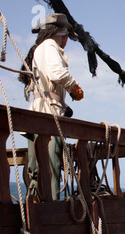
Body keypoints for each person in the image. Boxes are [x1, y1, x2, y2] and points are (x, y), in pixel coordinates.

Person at [19, 13, 84, 201]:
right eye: (66, 37)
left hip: (39, 111)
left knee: (37, 168)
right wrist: (74, 88)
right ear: (61, 34)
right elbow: (57, 73)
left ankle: (34, 206)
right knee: (51, 166)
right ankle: (52, 208)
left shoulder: (40, 49)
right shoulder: (49, 46)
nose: (66, 41)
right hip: (49, 113)